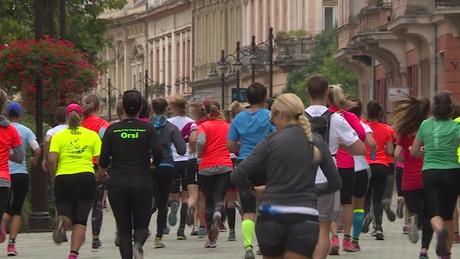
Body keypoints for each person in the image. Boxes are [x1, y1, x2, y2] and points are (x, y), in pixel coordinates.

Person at [231, 93, 342, 259]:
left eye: (272, 118)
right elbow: (335, 182)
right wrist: (311, 191)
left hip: (271, 215)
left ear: (281, 114)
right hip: (305, 217)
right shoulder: (316, 141)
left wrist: (254, 189)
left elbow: (237, 175)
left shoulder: (272, 141)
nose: (273, 122)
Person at [304, 75, 366, 259]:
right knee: (324, 229)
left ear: (307, 93)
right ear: (326, 92)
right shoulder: (336, 119)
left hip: (303, 178)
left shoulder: (299, 118)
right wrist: (340, 146)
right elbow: (360, 148)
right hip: (328, 177)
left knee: (307, 226)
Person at [99, 90, 163, 259]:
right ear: (141, 107)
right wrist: (152, 165)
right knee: (142, 224)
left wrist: (104, 170)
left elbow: (104, 159)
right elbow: (159, 153)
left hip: (118, 183)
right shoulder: (148, 129)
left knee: (124, 227)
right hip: (142, 182)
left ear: (122, 107)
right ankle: (138, 245)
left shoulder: (112, 130)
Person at [227, 82, 275, 259]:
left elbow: (230, 145)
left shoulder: (238, 118)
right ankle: (263, 246)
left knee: (248, 210)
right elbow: (277, 137)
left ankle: (248, 245)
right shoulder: (270, 116)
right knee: (266, 208)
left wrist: (243, 145)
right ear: (265, 98)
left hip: (245, 164)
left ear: (246, 98)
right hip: (266, 164)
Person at [47, 103, 102, 259]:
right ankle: (73, 254)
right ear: (82, 117)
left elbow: (51, 159)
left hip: (64, 177)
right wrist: (99, 172)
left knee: (66, 213)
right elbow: (100, 159)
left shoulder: (58, 136)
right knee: (81, 219)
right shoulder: (92, 135)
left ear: (66, 117)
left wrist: (54, 175)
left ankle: (63, 223)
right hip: (85, 177)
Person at [411, 90, 460, 259]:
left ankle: (439, 231)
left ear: (433, 107)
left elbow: (415, 151)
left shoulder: (425, 125)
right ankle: (446, 255)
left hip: (430, 172)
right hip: (452, 172)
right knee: (449, 215)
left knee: (434, 214)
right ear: (450, 107)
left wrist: (430, 152)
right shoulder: (456, 126)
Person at [392, 94, 433, 259]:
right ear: (428, 111)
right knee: (430, 214)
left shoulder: (405, 130)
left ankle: (414, 220)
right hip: (426, 176)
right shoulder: (429, 128)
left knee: (416, 212)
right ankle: (424, 251)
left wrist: (407, 160)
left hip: (408, 180)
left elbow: (396, 154)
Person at [326, 85, 366, 254]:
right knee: (347, 203)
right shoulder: (348, 116)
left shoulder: (325, 116)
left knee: (332, 203)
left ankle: (334, 237)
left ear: (327, 99)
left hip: (329, 164)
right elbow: (362, 135)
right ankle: (347, 241)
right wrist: (346, 144)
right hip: (348, 164)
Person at [2, 102, 40, 256]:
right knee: (17, 209)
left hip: (3, 173)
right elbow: (36, 148)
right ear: (20, 115)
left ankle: (2, 221)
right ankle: (11, 245)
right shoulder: (26, 131)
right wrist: (34, 160)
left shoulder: (4, 128)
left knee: (4, 208)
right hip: (20, 175)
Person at [150, 98, 186, 248]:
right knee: (163, 201)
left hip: (149, 166)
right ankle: (159, 237)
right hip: (167, 165)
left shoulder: (146, 126)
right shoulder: (171, 128)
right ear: (166, 110)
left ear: (152, 109)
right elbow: (182, 150)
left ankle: (139, 229)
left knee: (149, 200)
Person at [196, 100, 233, 248]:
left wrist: (200, 152)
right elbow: (232, 143)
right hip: (225, 165)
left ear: (205, 111)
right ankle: (219, 212)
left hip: (206, 166)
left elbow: (201, 142)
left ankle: (211, 240)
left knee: (208, 200)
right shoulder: (227, 125)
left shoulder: (203, 126)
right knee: (220, 196)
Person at [345, 95, 377, 251]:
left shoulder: (342, 125)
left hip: (347, 169)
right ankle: (356, 240)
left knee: (347, 205)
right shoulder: (363, 126)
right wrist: (372, 153)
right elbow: (372, 144)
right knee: (359, 206)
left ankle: (346, 238)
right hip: (362, 169)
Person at [361, 101, 394, 241]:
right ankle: (379, 227)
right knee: (378, 198)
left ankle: (367, 214)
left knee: (366, 196)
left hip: (366, 165)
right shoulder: (387, 130)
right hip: (382, 166)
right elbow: (391, 151)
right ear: (380, 113)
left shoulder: (363, 128)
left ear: (367, 113)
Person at [81, 94, 110, 252]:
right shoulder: (103, 125)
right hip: (96, 167)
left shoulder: (77, 123)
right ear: (99, 107)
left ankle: (76, 231)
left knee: (81, 203)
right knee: (97, 204)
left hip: (79, 167)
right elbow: (105, 148)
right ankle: (95, 239)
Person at [167, 96, 193, 239]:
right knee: (186, 196)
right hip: (188, 161)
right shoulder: (192, 122)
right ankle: (181, 230)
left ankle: (173, 205)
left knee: (174, 194)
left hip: (174, 161)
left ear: (175, 108)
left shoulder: (169, 123)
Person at [185, 102, 208, 238]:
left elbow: (193, 139)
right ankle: (202, 226)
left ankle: (193, 222)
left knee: (193, 196)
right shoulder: (206, 124)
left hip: (193, 160)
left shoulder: (195, 124)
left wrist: (193, 148)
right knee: (203, 197)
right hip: (204, 162)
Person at [42, 107, 67, 172]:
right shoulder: (72, 129)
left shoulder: (53, 131)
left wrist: (44, 158)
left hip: (57, 160)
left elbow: (47, 140)